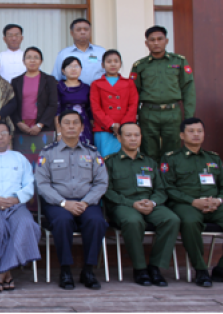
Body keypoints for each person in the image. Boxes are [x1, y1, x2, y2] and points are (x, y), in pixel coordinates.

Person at [35, 110, 108, 290]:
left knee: (97, 221)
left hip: (86, 202)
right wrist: (63, 203)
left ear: (82, 127)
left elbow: (101, 182)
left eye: (75, 123)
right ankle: (65, 269)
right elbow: (42, 183)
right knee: (62, 221)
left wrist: (85, 202)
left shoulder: (92, 153)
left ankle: (88, 270)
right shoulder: (48, 153)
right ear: (59, 126)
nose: (71, 126)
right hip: (57, 203)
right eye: (66, 123)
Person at [104, 122, 180, 287]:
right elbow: (107, 191)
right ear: (119, 137)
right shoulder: (109, 162)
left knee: (171, 219)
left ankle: (155, 267)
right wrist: (132, 203)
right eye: (128, 135)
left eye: (136, 135)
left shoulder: (150, 162)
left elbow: (161, 189)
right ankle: (139, 269)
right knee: (133, 221)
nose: (133, 139)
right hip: (123, 206)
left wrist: (152, 202)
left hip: (150, 204)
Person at [0, 121, 41, 292]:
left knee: (27, 225)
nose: (0, 136)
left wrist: (17, 198)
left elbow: (29, 184)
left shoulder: (20, 158)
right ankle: (5, 272)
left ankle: (1, 271)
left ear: (10, 136)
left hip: (15, 205)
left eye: (4, 133)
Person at [161, 118, 223, 287]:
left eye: (199, 131)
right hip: (185, 204)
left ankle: (220, 269)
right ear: (182, 135)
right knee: (189, 222)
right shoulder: (171, 159)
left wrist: (218, 200)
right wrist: (192, 201)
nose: (196, 135)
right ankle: (201, 270)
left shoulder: (214, 159)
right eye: (191, 131)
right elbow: (168, 188)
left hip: (214, 204)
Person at [131, 25, 196, 161]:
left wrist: (189, 118)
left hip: (172, 112)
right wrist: (133, 118)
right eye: (152, 40)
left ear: (166, 41)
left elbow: (188, 89)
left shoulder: (179, 61)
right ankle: (151, 180)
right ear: (146, 43)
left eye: (160, 39)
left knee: (173, 151)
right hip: (148, 113)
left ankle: (170, 181)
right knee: (148, 151)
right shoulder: (140, 65)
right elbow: (133, 93)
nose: (156, 42)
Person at [90, 50, 139, 157]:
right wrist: (111, 125)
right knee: (104, 161)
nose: (113, 64)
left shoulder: (129, 83)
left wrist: (123, 126)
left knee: (124, 159)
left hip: (125, 129)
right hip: (103, 128)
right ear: (103, 65)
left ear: (120, 64)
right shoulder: (96, 84)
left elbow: (133, 105)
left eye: (116, 61)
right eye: (109, 61)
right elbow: (95, 108)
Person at [11, 47, 57, 135]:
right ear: (23, 61)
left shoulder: (49, 80)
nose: (32, 60)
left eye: (36, 57)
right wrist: (19, 123)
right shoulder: (16, 81)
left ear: (41, 61)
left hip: (43, 126)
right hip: (21, 127)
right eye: (29, 57)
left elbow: (53, 104)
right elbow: (12, 105)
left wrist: (40, 125)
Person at [52, 18, 106, 85]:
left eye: (86, 29)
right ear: (72, 33)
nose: (83, 32)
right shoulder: (64, 54)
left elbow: (109, 74)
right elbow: (56, 78)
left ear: (90, 32)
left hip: (98, 92)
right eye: (78, 30)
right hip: (73, 93)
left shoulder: (101, 52)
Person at [55, 57, 93, 145]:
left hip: (84, 126)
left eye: (76, 66)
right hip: (65, 125)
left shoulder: (86, 88)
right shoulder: (58, 87)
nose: (73, 69)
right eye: (69, 66)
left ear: (81, 69)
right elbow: (57, 111)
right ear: (63, 70)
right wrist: (59, 132)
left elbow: (90, 111)